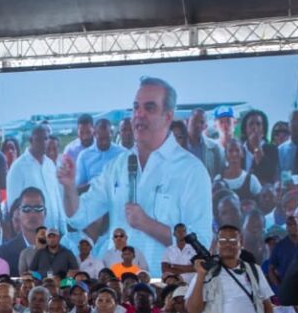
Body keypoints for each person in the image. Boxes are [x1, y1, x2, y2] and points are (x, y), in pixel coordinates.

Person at [58, 77, 212, 276]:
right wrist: (69, 187)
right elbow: (78, 217)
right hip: (119, 290)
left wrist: (148, 224)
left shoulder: (191, 170)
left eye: (149, 108)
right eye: (136, 107)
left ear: (168, 116)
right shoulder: (117, 166)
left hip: (169, 292)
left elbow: (201, 243)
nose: (139, 115)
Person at [6, 125, 65, 234]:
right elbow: (14, 207)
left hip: (55, 234)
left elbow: (56, 199)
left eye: (46, 139)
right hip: (33, 236)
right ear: (30, 140)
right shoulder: (18, 167)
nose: (43, 143)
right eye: (38, 139)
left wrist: (63, 230)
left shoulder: (50, 164)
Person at [75, 118, 127, 189]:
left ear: (111, 133)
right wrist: (95, 185)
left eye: (107, 138)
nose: (104, 142)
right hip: (93, 196)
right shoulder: (84, 156)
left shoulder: (123, 154)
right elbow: (78, 187)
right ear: (94, 134)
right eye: (101, 139)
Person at [268, 215, 298, 286]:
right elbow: (271, 270)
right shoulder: (279, 246)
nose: (293, 227)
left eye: (295, 224)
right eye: (290, 225)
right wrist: (279, 287)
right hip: (286, 288)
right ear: (287, 228)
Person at [240, 109, 280, 186]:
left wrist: (256, 146)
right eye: (251, 124)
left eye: (258, 124)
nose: (254, 127)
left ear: (263, 129)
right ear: (245, 128)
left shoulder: (271, 149)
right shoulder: (239, 149)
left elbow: (268, 173)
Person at [186, 108, 226, 180]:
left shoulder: (215, 148)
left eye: (201, 122)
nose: (198, 125)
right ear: (187, 121)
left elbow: (222, 174)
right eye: (194, 121)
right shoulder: (178, 146)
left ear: (205, 126)